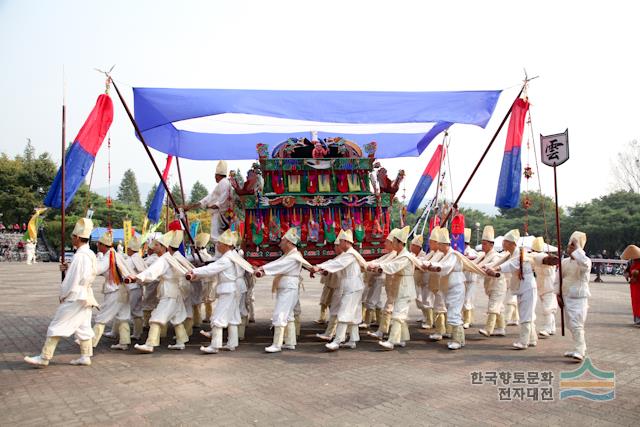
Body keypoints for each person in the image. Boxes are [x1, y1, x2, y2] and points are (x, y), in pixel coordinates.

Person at [24, 218, 99, 367]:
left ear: (77, 238)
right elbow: (83, 274)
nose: (71, 239)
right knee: (83, 327)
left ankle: (44, 357)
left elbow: (73, 280)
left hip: (75, 296)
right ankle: (85, 356)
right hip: (85, 295)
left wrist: (63, 294)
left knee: (56, 325)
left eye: (72, 237)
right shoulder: (89, 254)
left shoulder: (80, 256)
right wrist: (68, 268)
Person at [187, 229, 253, 353]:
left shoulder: (226, 259)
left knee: (218, 317)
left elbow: (211, 268)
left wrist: (194, 271)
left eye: (219, 243)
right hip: (233, 289)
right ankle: (232, 343)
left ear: (226, 245)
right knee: (233, 317)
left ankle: (215, 345)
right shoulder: (233, 256)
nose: (217, 246)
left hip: (228, 290)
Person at [127, 230, 191, 353]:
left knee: (156, 317)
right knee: (176, 317)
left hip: (169, 292)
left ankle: (150, 344)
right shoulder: (171, 258)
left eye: (157, 245)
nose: (154, 247)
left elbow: (152, 272)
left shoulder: (164, 260)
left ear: (164, 247)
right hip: (174, 292)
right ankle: (181, 341)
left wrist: (137, 277)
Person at [427, 227, 486, 350]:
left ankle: (458, 340)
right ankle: (459, 339)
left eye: (439, 244)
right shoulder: (445, 255)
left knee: (454, 313)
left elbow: (446, 267)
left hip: (456, 287)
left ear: (444, 245)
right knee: (451, 312)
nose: (438, 246)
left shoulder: (453, 255)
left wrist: (434, 265)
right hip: (449, 287)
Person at [254, 228, 311, 353]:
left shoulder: (293, 256)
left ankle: (277, 344)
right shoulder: (289, 255)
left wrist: (262, 268)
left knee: (280, 313)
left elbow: (277, 266)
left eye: (283, 241)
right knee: (288, 315)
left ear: (289, 243)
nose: (280, 243)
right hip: (288, 287)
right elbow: (277, 263)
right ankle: (290, 342)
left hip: (289, 288)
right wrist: (262, 270)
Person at [314, 230, 367, 351]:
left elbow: (336, 263)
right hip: (353, 286)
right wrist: (320, 268)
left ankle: (337, 341)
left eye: (340, 241)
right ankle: (353, 340)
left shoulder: (350, 255)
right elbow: (334, 263)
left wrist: (319, 267)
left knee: (344, 313)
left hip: (352, 287)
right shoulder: (348, 254)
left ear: (346, 242)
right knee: (353, 314)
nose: (339, 244)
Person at [485, 229, 538, 350]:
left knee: (526, 315)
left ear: (512, 243)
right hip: (521, 286)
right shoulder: (511, 254)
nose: (503, 243)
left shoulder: (521, 255)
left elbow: (512, 264)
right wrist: (489, 267)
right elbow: (505, 262)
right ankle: (532, 338)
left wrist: (497, 268)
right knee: (527, 313)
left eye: (505, 241)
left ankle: (523, 341)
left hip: (527, 287)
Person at [375, 226, 421, 350]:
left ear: (400, 243)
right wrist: (378, 265)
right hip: (401, 286)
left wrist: (380, 267)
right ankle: (402, 339)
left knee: (398, 315)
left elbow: (393, 267)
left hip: (405, 287)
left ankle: (392, 340)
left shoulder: (405, 257)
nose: (393, 243)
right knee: (400, 314)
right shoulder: (401, 255)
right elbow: (390, 264)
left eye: (395, 241)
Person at [92, 231, 132, 351]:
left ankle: (90, 343)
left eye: (99, 243)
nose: (97, 245)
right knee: (122, 315)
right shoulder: (116, 254)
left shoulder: (108, 257)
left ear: (103, 245)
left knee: (102, 316)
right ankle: (124, 342)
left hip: (114, 291)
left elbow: (98, 269)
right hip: (123, 289)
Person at [555, 231, 592, 361]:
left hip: (578, 297)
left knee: (577, 324)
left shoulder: (585, 261)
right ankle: (578, 347)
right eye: (569, 245)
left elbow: (585, 264)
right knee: (571, 325)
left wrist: (577, 248)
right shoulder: (565, 262)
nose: (569, 248)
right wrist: (557, 294)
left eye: (573, 246)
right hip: (566, 296)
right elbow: (558, 279)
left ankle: (580, 351)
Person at [182, 160, 231, 254]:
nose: (214, 178)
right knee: (218, 237)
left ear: (217, 175)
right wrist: (194, 206)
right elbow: (210, 197)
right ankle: (219, 255)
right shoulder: (223, 183)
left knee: (217, 237)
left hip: (220, 215)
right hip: (221, 214)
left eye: (215, 176)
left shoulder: (224, 183)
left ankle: (219, 256)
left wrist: (213, 206)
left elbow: (221, 200)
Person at [365, 229, 400, 339]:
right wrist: (368, 264)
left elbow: (383, 264)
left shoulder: (394, 254)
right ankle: (383, 330)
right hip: (390, 283)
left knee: (393, 309)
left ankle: (391, 334)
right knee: (387, 306)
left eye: (387, 242)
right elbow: (379, 260)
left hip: (397, 284)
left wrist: (372, 266)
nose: (384, 244)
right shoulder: (390, 254)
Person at [477, 226, 511, 337]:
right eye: (482, 243)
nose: (483, 246)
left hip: (498, 284)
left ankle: (489, 329)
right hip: (491, 284)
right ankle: (501, 328)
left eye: (485, 244)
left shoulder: (496, 256)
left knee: (493, 306)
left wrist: (485, 267)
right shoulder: (483, 256)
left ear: (491, 245)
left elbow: (495, 265)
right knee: (499, 307)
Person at [530, 237, 558, 338]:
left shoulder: (544, 257)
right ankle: (552, 328)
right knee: (548, 307)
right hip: (541, 286)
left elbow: (540, 258)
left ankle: (547, 328)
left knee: (548, 308)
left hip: (549, 286)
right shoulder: (535, 258)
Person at [124, 235, 146, 340]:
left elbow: (122, 271)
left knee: (125, 312)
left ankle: (124, 337)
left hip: (132, 288)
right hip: (139, 288)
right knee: (137, 311)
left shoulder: (131, 260)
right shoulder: (139, 259)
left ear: (129, 249)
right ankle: (137, 333)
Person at [462, 228, 480, 328]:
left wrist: (464, 257)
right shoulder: (460, 250)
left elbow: (474, 259)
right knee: (463, 300)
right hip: (463, 279)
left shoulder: (472, 251)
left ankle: (467, 320)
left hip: (471, 279)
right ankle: (467, 318)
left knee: (468, 300)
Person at [621, 244, 640, 326]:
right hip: (634, 284)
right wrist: (627, 274)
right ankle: (638, 319)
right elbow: (626, 271)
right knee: (635, 301)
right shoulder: (630, 262)